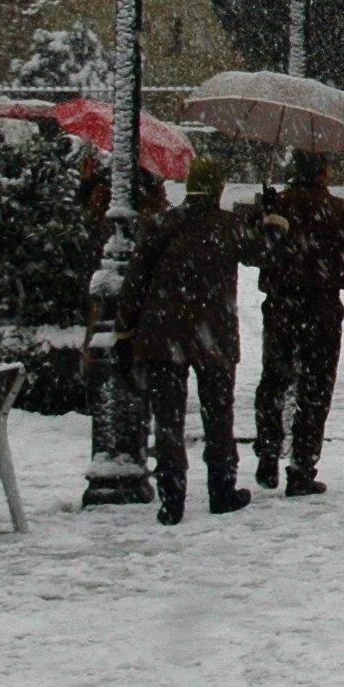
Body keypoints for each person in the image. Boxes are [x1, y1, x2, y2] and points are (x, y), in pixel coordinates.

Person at [119, 153, 255, 524]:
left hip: (164, 334)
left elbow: (136, 281)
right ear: (219, 188)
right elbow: (263, 253)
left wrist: (125, 329)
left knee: (168, 421)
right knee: (218, 417)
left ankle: (171, 498)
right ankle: (222, 490)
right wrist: (269, 219)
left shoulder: (164, 223)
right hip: (214, 338)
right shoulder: (230, 226)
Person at [250, 150, 344, 497]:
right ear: (323, 172)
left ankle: (268, 448)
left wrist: (267, 216)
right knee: (315, 386)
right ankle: (302, 465)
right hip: (322, 306)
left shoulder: (279, 207)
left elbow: (257, 251)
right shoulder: (340, 211)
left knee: (274, 378)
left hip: (280, 304)